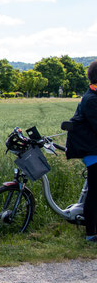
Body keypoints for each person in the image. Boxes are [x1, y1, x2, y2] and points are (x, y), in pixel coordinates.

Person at [65, 61, 97, 243]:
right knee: (95, 192)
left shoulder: (93, 95)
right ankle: (91, 233)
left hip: (93, 148)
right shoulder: (91, 99)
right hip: (92, 151)